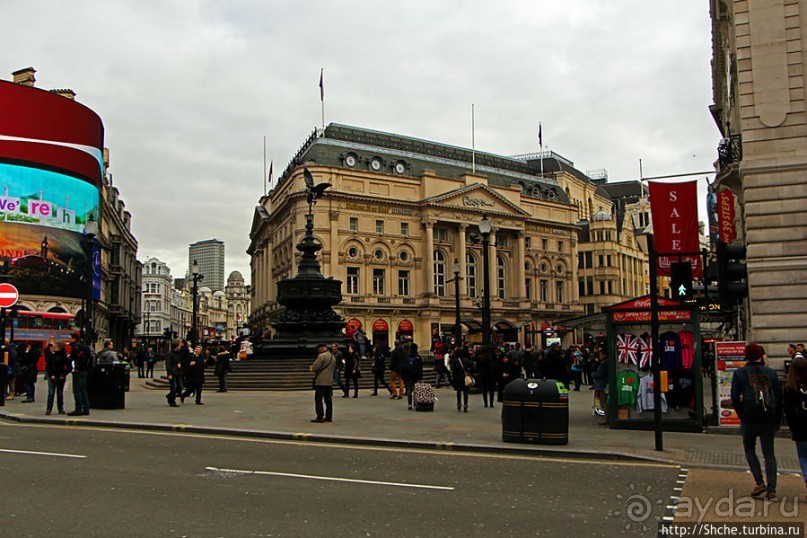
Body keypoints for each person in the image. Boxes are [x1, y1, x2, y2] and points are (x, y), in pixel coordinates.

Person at [730, 342, 783, 501]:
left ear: (746, 356)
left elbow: (734, 396)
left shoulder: (740, 373)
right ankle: (772, 489)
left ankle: (759, 482)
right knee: (769, 453)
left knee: (749, 450)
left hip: (749, 418)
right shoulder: (771, 373)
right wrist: (777, 419)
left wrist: (741, 413)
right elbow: (779, 399)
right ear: (761, 355)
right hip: (768, 418)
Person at [783, 357, 807, 502]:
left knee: (804, 458)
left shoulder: (790, 387)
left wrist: (793, 429)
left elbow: (789, 412)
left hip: (800, 428)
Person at [309, 343, 335, 422]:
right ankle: (328, 417)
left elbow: (315, 367)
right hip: (329, 381)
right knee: (328, 400)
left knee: (319, 399)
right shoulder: (332, 356)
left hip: (321, 381)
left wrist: (311, 368)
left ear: (321, 348)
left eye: (318, 349)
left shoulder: (321, 356)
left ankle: (320, 416)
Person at [67, 332, 91, 416]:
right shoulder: (84, 347)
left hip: (78, 371)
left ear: (74, 339)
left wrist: (74, 368)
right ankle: (86, 408)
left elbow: (75, 360)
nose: (69, 340)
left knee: (77, 390)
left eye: (70, 338)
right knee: (83, 389)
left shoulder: (75, 347)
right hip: (85, 371)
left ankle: (78, 408)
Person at [45, 341, 70, 415]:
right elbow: (48, 366)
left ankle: (60, 408)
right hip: (52, 376)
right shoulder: (52, 355)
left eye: (56, 346)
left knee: (59, 393)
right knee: (51, 393)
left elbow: (69, 367)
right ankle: (49, 409)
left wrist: (63, 374)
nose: (54, 347)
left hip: (60, 376)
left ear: (59, 347)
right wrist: (51, 375)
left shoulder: (64, 356)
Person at [450, 348, 474, 412]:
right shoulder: (466, 360)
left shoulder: (455, 361)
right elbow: (472, 368)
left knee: (459, 392)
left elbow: (453, 371)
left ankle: (459, 404)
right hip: (465, 377)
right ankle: (465, 404)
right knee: (465, 392)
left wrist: (454, 378)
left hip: (458, 378)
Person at [403, 343, 424, 410]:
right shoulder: (418, 357)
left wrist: (404, 375)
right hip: (416, 376)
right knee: (416, 389)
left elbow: (404, 367)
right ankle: (415, 402)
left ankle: (409, 404)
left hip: (408, 375)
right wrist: (420, 377)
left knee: (409, 389)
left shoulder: (407, 356)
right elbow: (420, 368)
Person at [591, 348, 609, 423]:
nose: (599, 356)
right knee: (603, 402)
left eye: (600, 354)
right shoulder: (604, 362)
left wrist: (593, 374)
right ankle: (606, 417)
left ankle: (606, 418)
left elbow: (600, 374)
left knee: (604, 402)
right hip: (602, 384)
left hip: (602, 385)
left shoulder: (604, 363)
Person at [165, 339, 183, 407]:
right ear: (177, 346)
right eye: (179, 345)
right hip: (172, 372)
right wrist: (169, 373)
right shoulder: (170, 353)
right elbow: (168, 364)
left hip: (178, 372)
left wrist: (179, 364)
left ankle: (169, 396)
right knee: (173, 387)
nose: (180, 346)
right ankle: (172, 401)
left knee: (179, 387)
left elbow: (179, 360)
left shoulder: (178, 353)